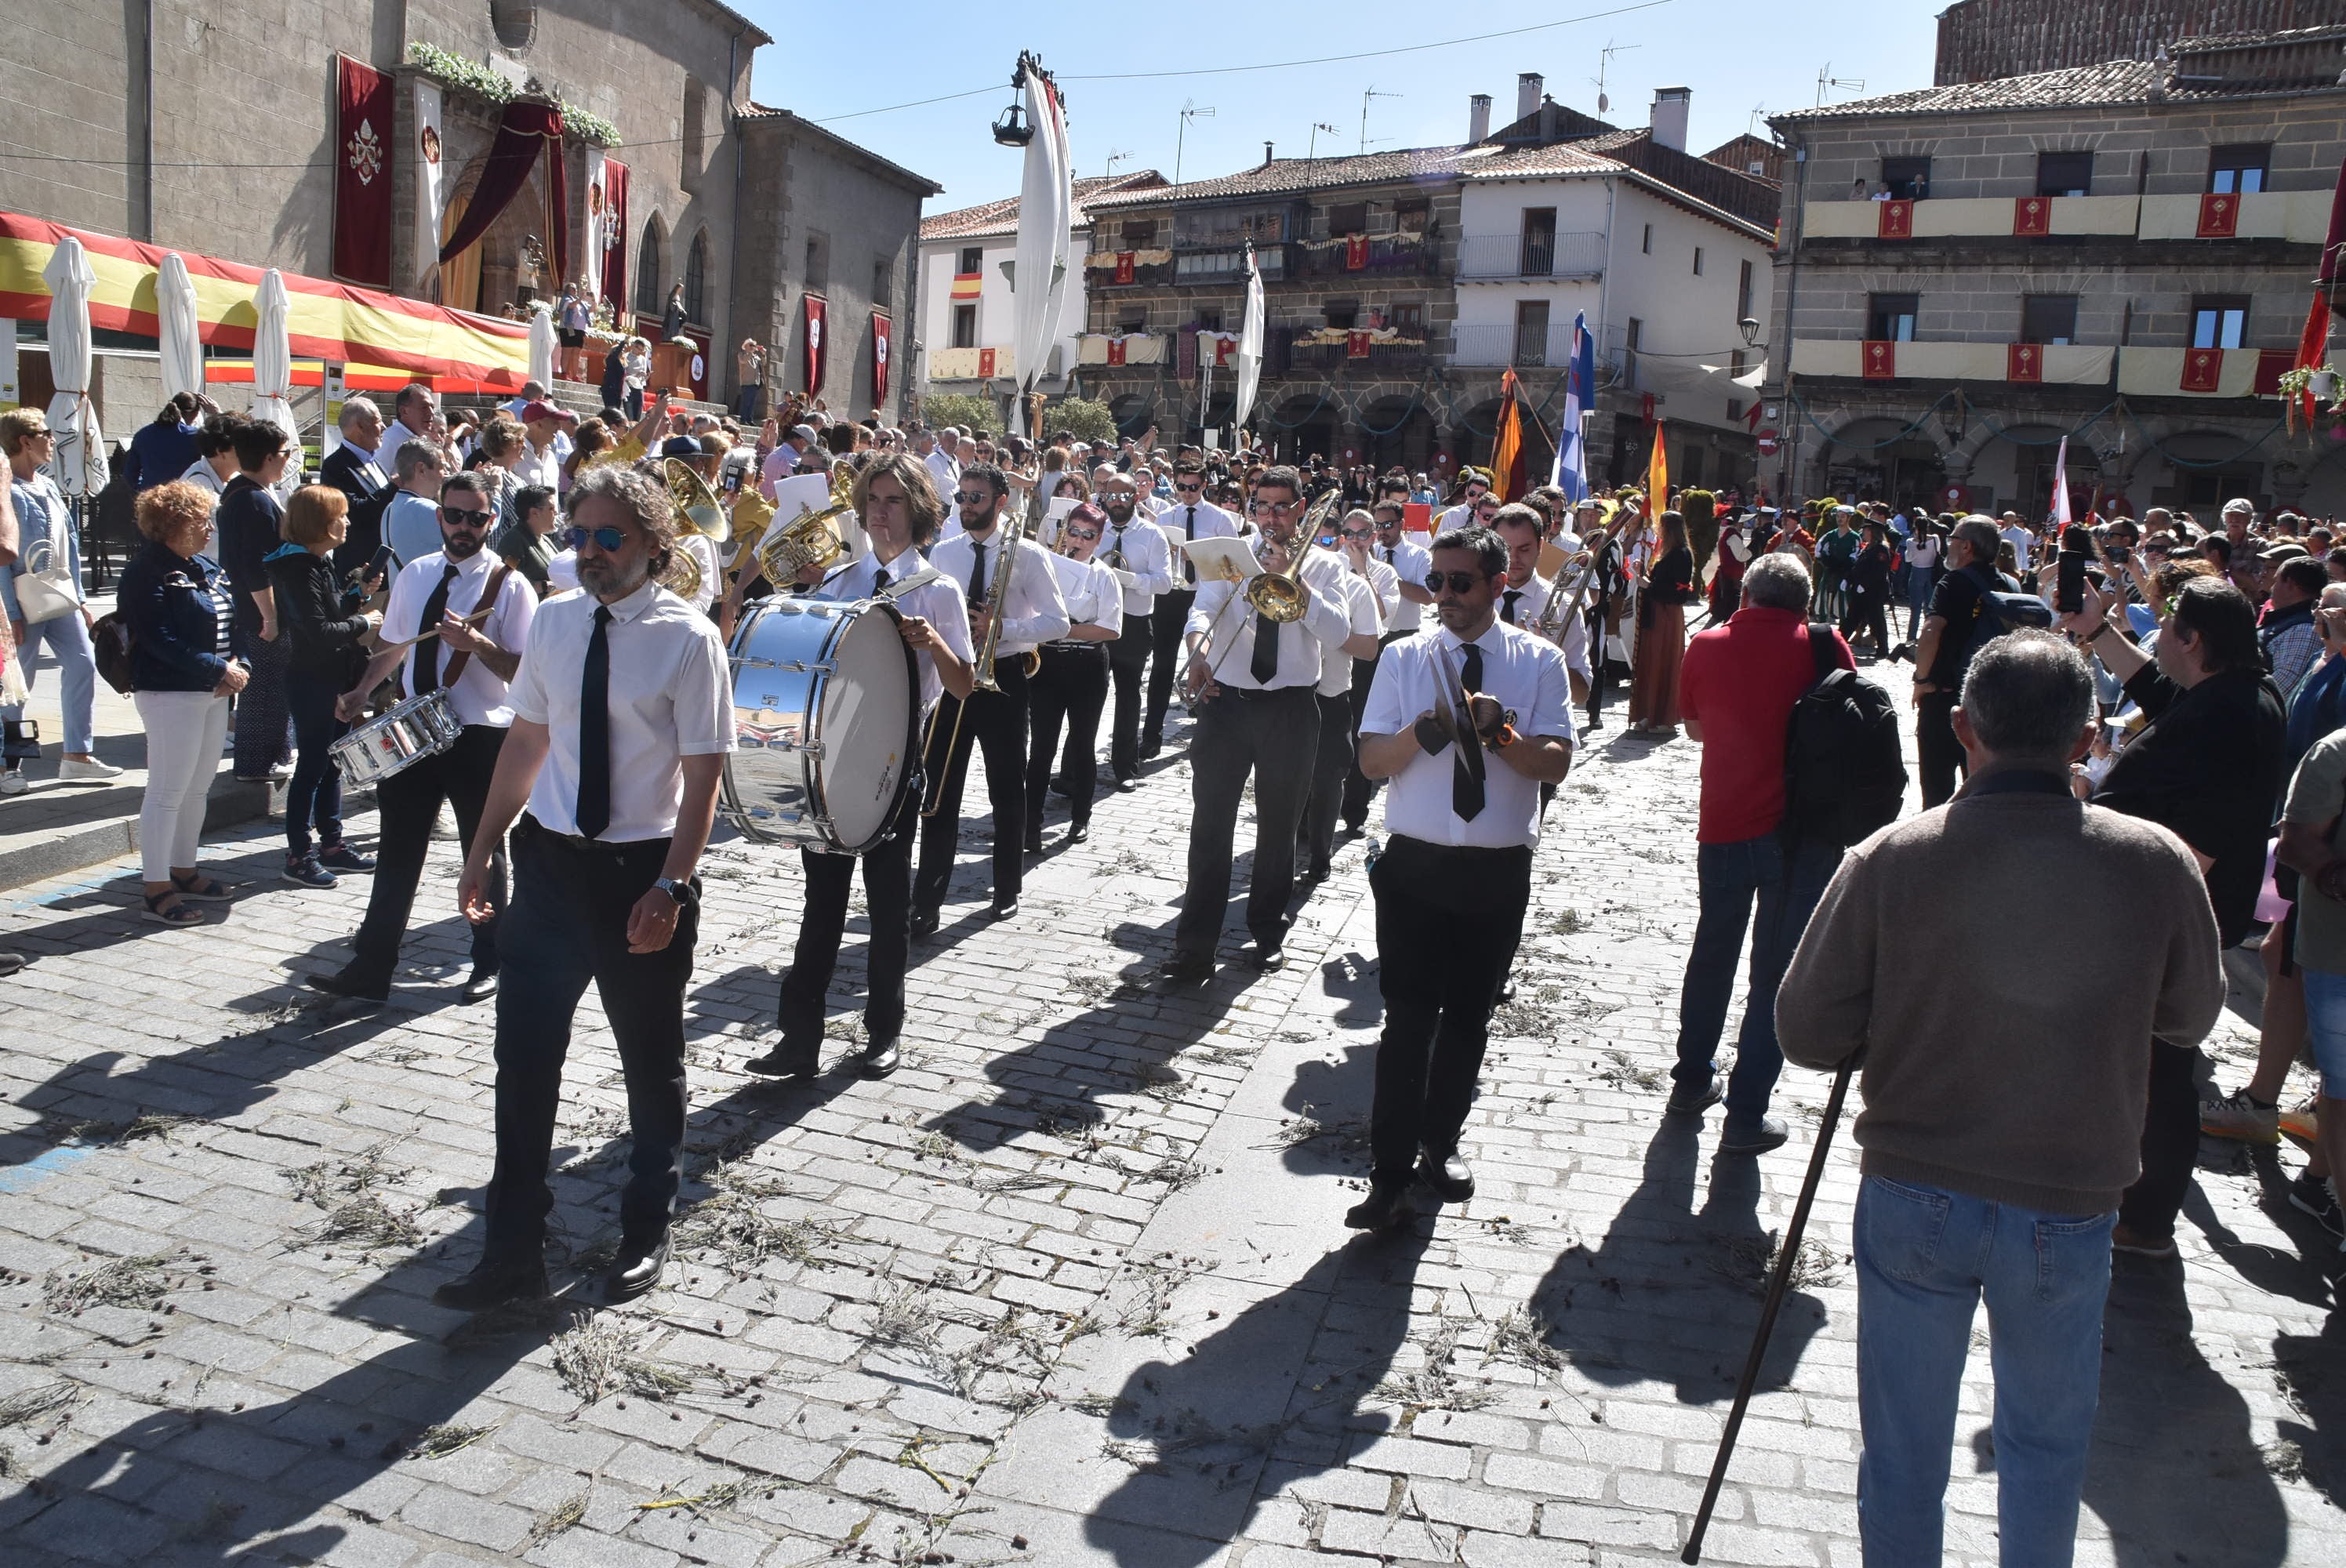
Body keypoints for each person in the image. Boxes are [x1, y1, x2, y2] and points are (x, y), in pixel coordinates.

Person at [1778, 630, 2223, 1568]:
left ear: (1959, 727)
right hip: (2066, 1201)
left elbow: (1806, 1031)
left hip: (1914, 1192)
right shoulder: (2154, 862)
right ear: (2087, 736)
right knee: (2045, 1447)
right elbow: (2190, 1017)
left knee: (1901, 1453)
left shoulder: (1891, 857)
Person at [434, 463, 732, 1310]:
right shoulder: (558, 621)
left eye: (611, 537)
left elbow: (704, 779)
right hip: (550, 869)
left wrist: (672, 887)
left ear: (654, 547)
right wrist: (481, 848)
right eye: (580, 535)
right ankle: (511, 1248)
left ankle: (645, 1227)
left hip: (639, 872)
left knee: (650, 1061)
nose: (592, 552)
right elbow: (524, 744)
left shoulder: (687, 637)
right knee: (522, 1064)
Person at [1346, 524, 1575, 1229]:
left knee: (1469, 1018)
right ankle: (1386, 1173)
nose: (1444, 595)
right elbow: (1371, 762)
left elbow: (1556, 763)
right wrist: (1424, 730)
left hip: (1497, 867)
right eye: (1437, 581)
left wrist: (1501, 734)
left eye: (1461, 582)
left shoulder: (1536, 659)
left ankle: (1440, 1143)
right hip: (1416, 864)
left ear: (1497, 585)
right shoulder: (1405, 657)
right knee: (1408, 1020)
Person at [2060, 576, 2286, 1257]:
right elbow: (2163, 693)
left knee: (2159, 1064)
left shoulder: (2234, 714)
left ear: (2193, 640)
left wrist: (2142, 916)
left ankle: (2146, 1216)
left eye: (2168, 629)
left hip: (2164, 913)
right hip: (2161, 906)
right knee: (2148, 1059)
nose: (2157, 639)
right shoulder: (2231, 693)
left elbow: (2203, 842)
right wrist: (2098, 630)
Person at [749, 455, 974, 1081]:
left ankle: (883, 1032)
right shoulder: (839, 580)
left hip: (895, 769)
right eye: (873, 498)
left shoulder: (938, 588)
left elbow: (963, 686)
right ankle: (798, 1040)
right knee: (820, 907)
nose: (880, 510)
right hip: (831, 763)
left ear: (919, 511)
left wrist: (936, 644)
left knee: (886, 908)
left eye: (894, 500)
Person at [310, 473, 537, 1008]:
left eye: (476, 518)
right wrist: (361, 690)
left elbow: (527, 673)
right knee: (396, 851)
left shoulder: (510, 586)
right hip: (413, 730)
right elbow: (394, 644)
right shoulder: (416, 572)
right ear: (439, 516)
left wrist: (478, 643)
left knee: (483, 855)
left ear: (492, 521)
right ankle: (371, 968)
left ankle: (490, 961)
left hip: (479, 737)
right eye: (455, 515)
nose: (464, 527)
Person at [1667, 553, 1855, 1153]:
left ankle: (1692, 1079)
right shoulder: (1827, 646)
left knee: (1712, 954)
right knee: (1774, 972)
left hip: (1724, 823)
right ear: (1804, 603)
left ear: (1744, 594)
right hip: (1801, 836)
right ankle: (1747, 1114)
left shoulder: (1708, 644)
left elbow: (1693, 726)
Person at [1160, 467, 1356, 980]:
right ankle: (1194, 945)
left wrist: (1298, 578)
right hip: (1226, 705)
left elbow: (1338, 632)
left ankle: (1267, 933)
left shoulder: (1325, 563)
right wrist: (1197, 652)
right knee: (1210, 827)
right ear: (1251, 509)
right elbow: (1200, 613)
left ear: (1300, 510)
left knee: (1278, 829)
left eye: (1281, 507)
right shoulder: (1228, 556)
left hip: (1290, 707)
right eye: (1262, 506)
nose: (1270, 517)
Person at [915, 463, 1069, 930]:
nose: (965, 506)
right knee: (939, 790)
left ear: (1001, 502)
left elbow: (1058, 622)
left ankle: (1006, 889)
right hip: (951, 678)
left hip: (1003, 676)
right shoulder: (943, 553)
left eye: (975, 498)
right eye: (961, 497)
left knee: (1007, 788)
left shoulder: (1027, 554)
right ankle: (927, 899)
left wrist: (1005, 628)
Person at [118, 481, 246, 925]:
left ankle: (184, 870)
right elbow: (158, 639)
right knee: (167, 792)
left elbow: (235, 621)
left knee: (197, 788)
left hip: (211, 692)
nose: (210, 528)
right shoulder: (145, 572)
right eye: (200, 521)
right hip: (170, 692)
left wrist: (237, 663)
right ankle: (156, 888)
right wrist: (218, 669)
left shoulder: (204, 566)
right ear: (172, 525)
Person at [263, 486, 382, 887]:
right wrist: (366, 623)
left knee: (334, 764)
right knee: (312, 767)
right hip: (313, 680)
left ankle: (332, 845)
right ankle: (298, 854)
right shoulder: (298, 568)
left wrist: (357, 595)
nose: (347, 522)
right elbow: (318, 632)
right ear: (320, 524)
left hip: (332, 676)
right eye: (341, 516)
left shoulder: (317, 563)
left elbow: (331, 614)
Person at [2, 409, 120, 792]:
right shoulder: (6, 490)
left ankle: (77, 757)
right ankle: (9, 765)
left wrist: (82, 599)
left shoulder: (49, 486)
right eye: (46, 433)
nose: (52, 440)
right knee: (18, 685)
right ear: (25, 440)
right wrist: (11, 612)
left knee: (84, 663)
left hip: (59, 595)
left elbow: (69, 543)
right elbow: (3, 557)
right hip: (23, 599)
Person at [2272, 713, 2346, 1298]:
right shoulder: (2335, 754)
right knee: (2343, 1091)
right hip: (2338, 955)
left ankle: (2319, 1183)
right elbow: (2296, 845)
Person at [1026, 502, 1124, 851]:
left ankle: (1080, 818)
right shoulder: (1048, 567)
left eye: (1088, 535)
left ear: (1098, 541)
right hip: (1049, 663)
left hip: (1087, 667)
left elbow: (1110, 630)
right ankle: (1031, 822)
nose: (1078, 541)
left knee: (1083, 744)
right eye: (1074, 532)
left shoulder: (1104, 575)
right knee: (1041, 747)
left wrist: (1064, 629)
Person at [1298, 519, 1386, 882]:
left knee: (1328, 780)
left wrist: (1328, 628)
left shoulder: (1356, 589)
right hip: (1289, 696)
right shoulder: (1284, 582)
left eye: (1331, 538)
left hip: (1331, 695)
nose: (1326, 546)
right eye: (1317, 539)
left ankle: (1320, 855)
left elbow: (1368, 649)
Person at [212, 417, 296, 783]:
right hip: (258, 612)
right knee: (263, 689)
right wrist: (271, 617)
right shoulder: (252, 501)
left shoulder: (246, 493)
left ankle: (270, 757)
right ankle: (253, 765)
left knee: (270, 687)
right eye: (284, 453)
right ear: (267, 457)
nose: (288, 459)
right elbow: (255, 567)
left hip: (255, 609)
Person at [1910, 516, 2014, 808]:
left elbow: (1931, 631)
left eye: (1952, 539)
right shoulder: (2011, 583)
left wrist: (1921, 681)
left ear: (1966, 546)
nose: (1948, 546)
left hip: (1947, 698)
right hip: (1993, 702)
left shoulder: (1953, 582)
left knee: (1936, 791)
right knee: (1985, 793)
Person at [1142, 458, 1241, 756]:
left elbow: (1233, 565)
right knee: (1162, 665)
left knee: (1208, 663)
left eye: (1193, 487)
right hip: (1173, 595)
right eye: (1182, 487)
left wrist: (1194, 557)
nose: (1187, 493)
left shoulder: (1221, 519)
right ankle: (1151, 735)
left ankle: (1207, 732)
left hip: (1206, 595)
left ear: (1204, 486)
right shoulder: (1166, 517)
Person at [1091, 470, 1173, 790]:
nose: (1117, 502)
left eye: (1124, 496)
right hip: (1099, 620)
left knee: (1128, 696)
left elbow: (1165, 583)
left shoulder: (1152, 534)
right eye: (1111, 496)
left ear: (1136, 497)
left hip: (1135, 623)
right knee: (1087, 696)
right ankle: (1073, 769)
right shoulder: (1096, 531)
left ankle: (1125, 766)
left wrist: (1129, 580)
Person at [1626, 509, 1695, 734]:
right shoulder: (1665, 552)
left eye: (1661, 525)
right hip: (1654, 612)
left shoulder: (1682, 554)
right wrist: (1643, 575)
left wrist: (1649, 585)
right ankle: (1647, 713)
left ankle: (1663, 717)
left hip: (1667, 614)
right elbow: (1657, 581)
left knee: (1662, 661)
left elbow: (1677, 591)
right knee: (1649, 662)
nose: (1658, 529)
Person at [383, 441, 450, 569]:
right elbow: (478, 530)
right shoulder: (426, 509)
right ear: (422, 470)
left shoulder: (390, 508)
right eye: (441, 467)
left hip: (402, 589)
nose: (446, 474)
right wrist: (493, 492)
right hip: (429, 589)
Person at [124, 394, 206, 495]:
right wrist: (216, 413)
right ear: (196, 414)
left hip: (151, 498)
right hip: (183, 498)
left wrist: (144, 488)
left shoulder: (142, 435)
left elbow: (130, 476)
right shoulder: (196, 436)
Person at [490, 484, 562, 598]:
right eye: (551, 508)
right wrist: (543, 586)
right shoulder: (514, 542)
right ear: (534, 513)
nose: (556, 513)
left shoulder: (545, 539)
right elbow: (503, 583)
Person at [1842, 520, 1894, 656]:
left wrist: (1864, 584)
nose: (1863, 532)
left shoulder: (1881, 549)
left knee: (1876, 620)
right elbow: (1858, 567)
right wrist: (1848, 579)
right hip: (1860, 592)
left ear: (1872, 532)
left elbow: (1879, 571)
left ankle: (1883, 650)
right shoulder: (1868, 547)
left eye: (1865, 530)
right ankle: (1838, 644)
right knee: (1851, 619)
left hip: (1873, 592)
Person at [735, 338, 765, 422]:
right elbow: (743, 361)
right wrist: (751, 353)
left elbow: (763, 363)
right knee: (746, 402)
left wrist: (763, 354)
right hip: (746, 382)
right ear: (745, 346)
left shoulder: (756, 357)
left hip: (755, 383)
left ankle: (749, 419)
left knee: (752, 403)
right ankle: (743, 419)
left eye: (754, 345)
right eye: (751, 345)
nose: (753, 347)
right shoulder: (742, 354)